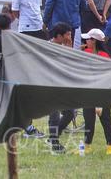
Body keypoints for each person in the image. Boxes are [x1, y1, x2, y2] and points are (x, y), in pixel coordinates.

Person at [80, 28, 111, 155]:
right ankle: (87, 146)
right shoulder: (86, 52)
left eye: (88, 39)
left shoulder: (104, 57)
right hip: (88, 93)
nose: (86, 41)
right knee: (88, 120)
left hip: (102, 93)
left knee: (106, 120)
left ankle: (110, 146)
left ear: (94, 41)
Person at [47, 22, 74, 153]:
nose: (70, 37)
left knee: (70, 112)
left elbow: (70, 65)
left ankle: (53, 138)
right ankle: (55, 143)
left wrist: (69, 49)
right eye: (67, 34)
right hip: (49, 85)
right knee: (55, 115)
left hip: (62, 85)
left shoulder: (64, 46)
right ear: (59, 36)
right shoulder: (47, 47)